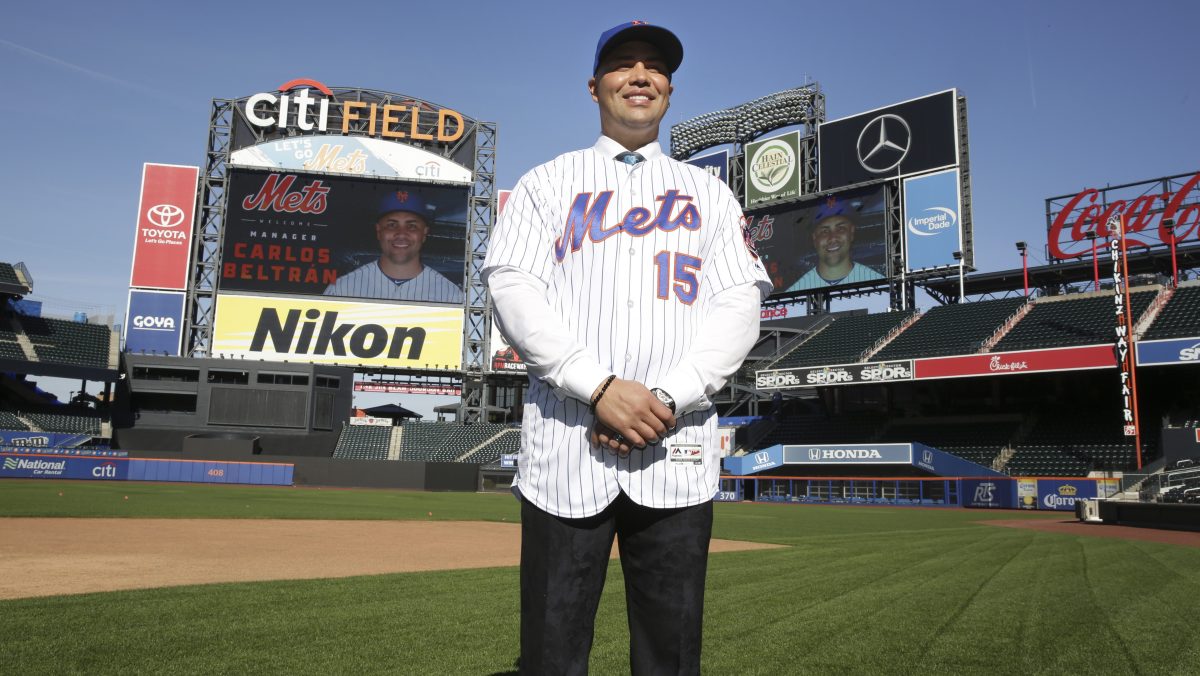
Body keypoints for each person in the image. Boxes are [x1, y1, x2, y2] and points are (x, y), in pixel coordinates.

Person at [482, 21, 771, 675]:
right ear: (594, 87)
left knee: (670, 660)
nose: (639, 75)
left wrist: (665, 397)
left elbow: (739, 304)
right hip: (567, 450)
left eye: (654, 67)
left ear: (668, 89)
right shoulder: (547, 184)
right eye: (622, 64)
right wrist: (599, 387)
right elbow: (513, 288)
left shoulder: (711, 194)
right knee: (551, 658)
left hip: (677, 448)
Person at [323, 191, 463, 303]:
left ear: (424, 233)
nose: (401, 234)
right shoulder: (342, 289)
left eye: (412, 226)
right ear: (379, 231)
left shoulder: (450, 295)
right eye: (392, 225)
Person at [786, 199, 884, 290]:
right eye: (824, 231)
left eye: (841, 229)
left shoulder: (881, 287)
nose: (832, 238)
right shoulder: (795, 292)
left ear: (852, 232)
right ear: (814, 238)